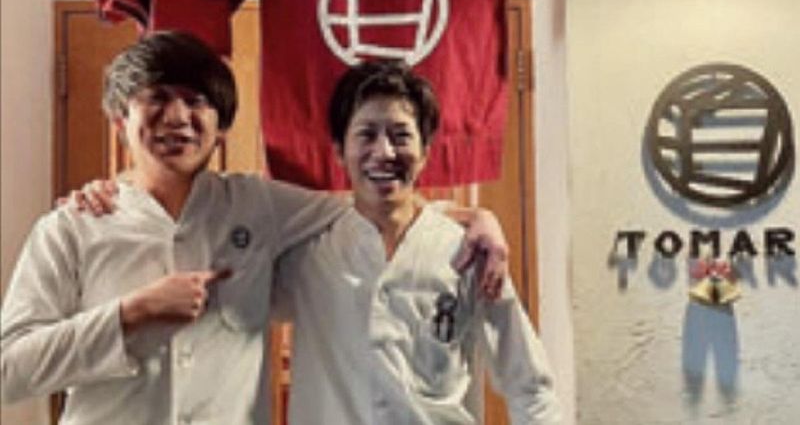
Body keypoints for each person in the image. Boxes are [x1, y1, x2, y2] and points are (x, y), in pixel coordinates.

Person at [0, 32, 507, 425]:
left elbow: (369, 212)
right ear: (119, 119)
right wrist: (131, 314)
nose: (177, 116)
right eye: (157, 97)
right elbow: (8, 370)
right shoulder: (72, 228)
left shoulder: (257, 205)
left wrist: (472, 218)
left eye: (197, 101)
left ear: (221, 128)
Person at [273, 60, 562, 424]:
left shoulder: (467, 250)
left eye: (400, 136)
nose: (384, 152)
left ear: (425, 152)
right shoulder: (309, 252)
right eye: (366, 135)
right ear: (339, 151)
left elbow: (530, 385)